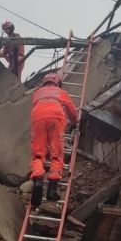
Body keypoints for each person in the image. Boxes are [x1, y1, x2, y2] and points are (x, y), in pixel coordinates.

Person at [30, 72, 77, 207]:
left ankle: (38, 180)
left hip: (38, 119)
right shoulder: (60, 92)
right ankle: (51, 189)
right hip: (56, 118)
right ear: (57, 82)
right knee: (57, 154)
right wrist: (74, 123)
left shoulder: (37, 93)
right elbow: (71, 110)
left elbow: (35, 107)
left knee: (38, 154)